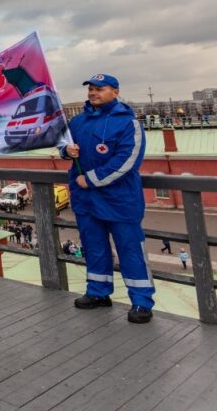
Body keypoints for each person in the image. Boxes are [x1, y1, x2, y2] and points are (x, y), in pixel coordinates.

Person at [62, 73, 154, 324]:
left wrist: (90, 179)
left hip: (119, 200)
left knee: (130, 249)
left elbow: (128, 161)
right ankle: (99, 292)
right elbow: (63, 146)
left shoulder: (128, 123)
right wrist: (66, 151)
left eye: (100, 89)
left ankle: (142, 301)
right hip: (86, 201)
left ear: (115, 92)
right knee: (93, 247)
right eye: (91, 89)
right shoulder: (78, 121)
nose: (93, 93)